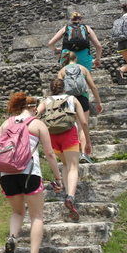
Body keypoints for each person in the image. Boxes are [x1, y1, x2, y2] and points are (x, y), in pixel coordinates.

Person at [0, 92, 63, 253]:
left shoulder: (5, 124)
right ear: (31, 108)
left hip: (7, 174)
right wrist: (58, 178)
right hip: (29, 173)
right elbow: (50, 154)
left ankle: (13, 237)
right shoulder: (37, 124)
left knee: (17, 212)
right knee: (36, 216)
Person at [35, 78, 90, 223]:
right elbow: (83, 121)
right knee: (73, 167)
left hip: (52, 136)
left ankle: (67, 191)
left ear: (51, 88)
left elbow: (35, 115)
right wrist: (88, 142)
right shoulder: (72, 99)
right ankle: (70, 196)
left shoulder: (46, 101)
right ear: (64, 87)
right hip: (69, 134)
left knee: (65, 164)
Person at [57, 51, 102, 163]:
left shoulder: (62, 71)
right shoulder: (83, 68)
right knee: (82, 126)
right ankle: (84, 154)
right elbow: (93, 87)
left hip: (69, 100)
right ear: (76, 58)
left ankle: (72, 154)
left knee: (72, 126)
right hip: (82, 98)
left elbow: (59, 90)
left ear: (66, 59)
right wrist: (98, 102)